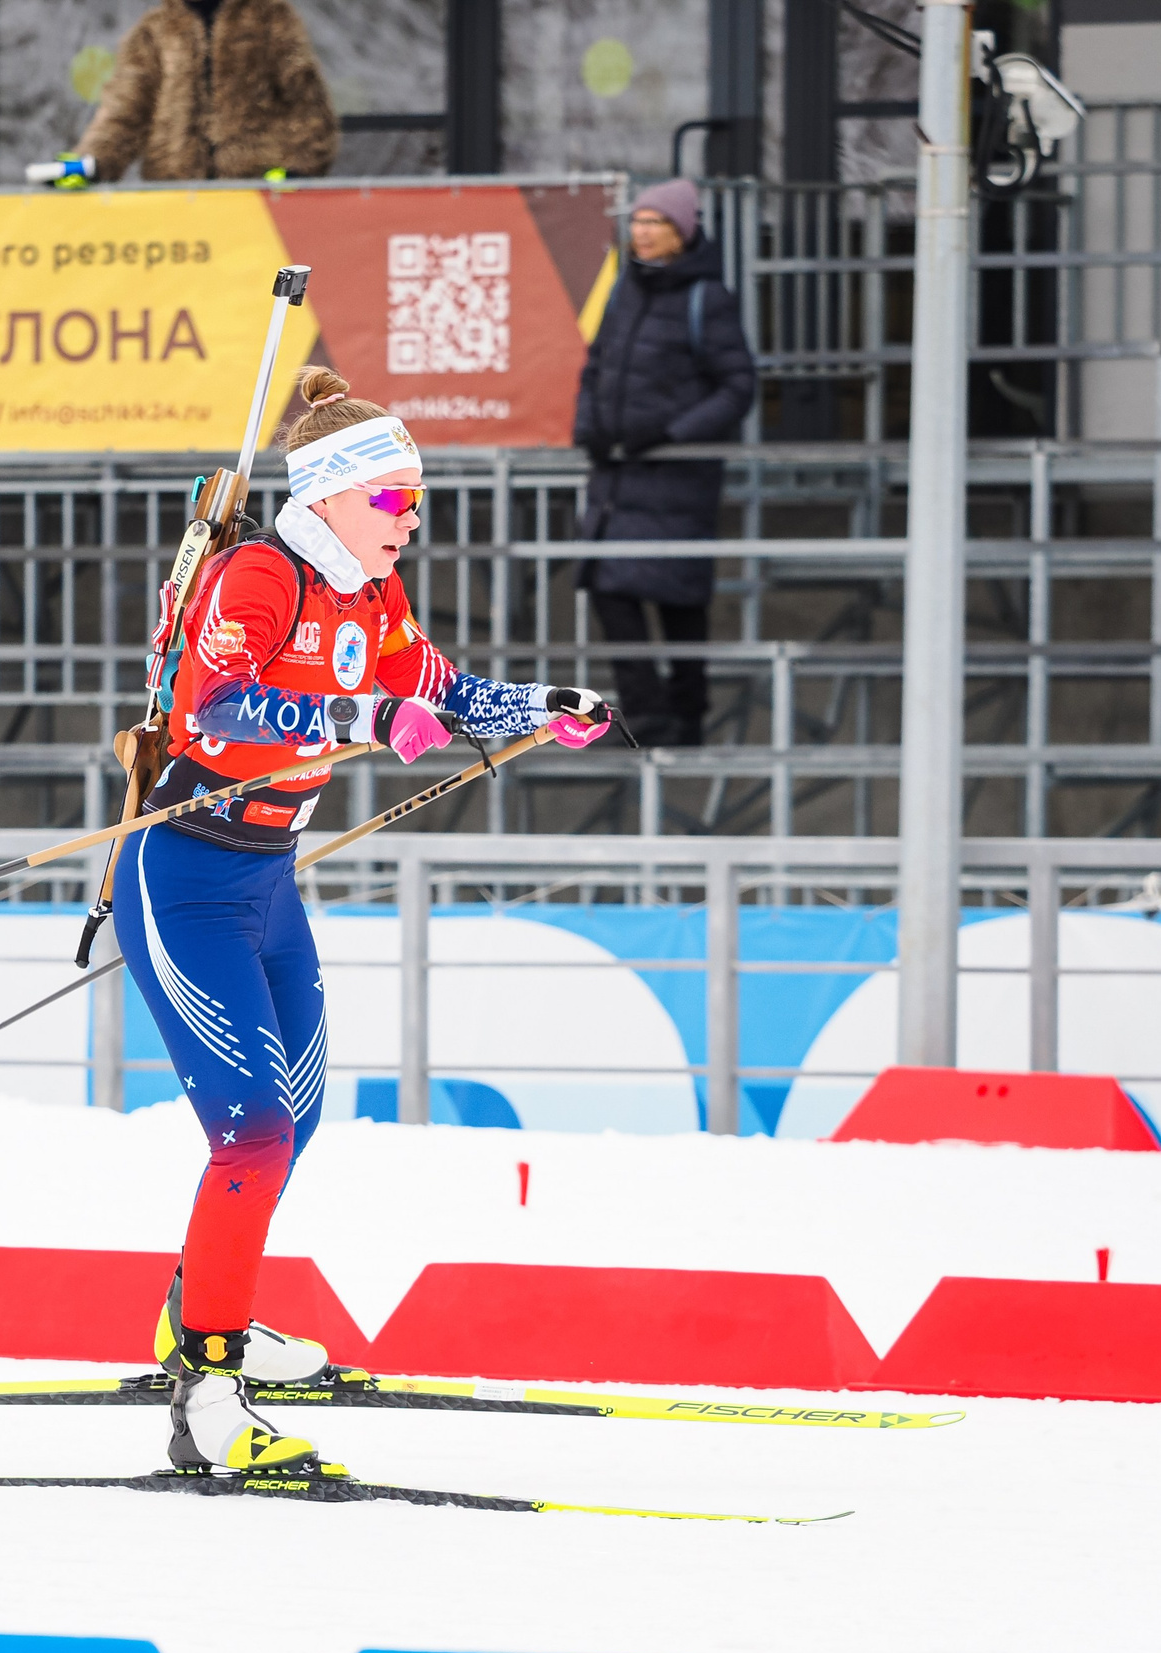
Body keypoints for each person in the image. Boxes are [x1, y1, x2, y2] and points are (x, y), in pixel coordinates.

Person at [116, 367, 610, 1474]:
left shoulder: (371, 596)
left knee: (293, 1118)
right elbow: (219, 707)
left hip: (268, 883)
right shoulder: (258, 575)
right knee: (250, 1140)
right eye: (391, 499)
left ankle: (201, 1311)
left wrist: (541, 706)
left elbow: (436, 687)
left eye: (417, 501)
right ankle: (206, 1386)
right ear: (330, 495)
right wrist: (363, 712)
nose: (408, 519)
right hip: (184, 878)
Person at [573, 179, 758, 749]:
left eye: (657, 223)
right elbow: (597, 366)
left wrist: (671, 435)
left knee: (678, 599)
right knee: (606, 584)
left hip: (676, 475)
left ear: (683, 233)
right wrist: (589, 429)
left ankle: (686, 718)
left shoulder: (708, 298)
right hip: (620, 473)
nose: (644, 233)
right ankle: (652, 716)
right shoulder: (625, 290)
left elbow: (739, 386)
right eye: (639, 221)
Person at [68, 0, 338, 184]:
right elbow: (124, 114)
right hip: (176, 200)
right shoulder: (156, 30)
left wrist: (298, 172)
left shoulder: (270, 18)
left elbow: (308, 104)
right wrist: (89, 164)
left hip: (256, 198)